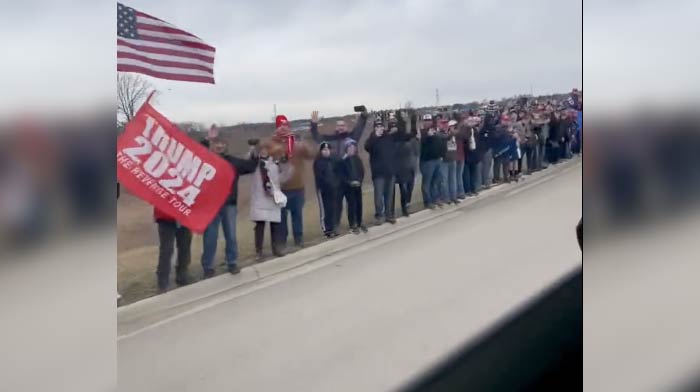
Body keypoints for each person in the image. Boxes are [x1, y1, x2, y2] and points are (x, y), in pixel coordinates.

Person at [200, 137, 258, 278]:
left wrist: (253, 152)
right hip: (212, 206)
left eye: (222, 143)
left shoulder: (234, 162)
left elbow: (250, 166)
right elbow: (197, 153)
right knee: (210, 237)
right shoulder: (206, 160)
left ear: (226, 145)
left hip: (229, 205)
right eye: (216, 143)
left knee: (231, 235)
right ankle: (208, 267)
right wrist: (206, 139)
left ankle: (232, 262)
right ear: (212, 145)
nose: (219, 146)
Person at [310, 108, 369, 227]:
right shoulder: (329, 139)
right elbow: (316, 137)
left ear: (346, 127)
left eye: (343, 125)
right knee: (336, 204)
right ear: (335, 128)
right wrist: (314, 124)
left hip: (349, 175)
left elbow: (359, 129)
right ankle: (335, 225)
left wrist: (363, 116)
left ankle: (354, 223)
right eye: (338, 125)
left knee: (352, 202)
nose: (340, 127)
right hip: (336, 176)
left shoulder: (351, 137)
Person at [271, 114, 315, 249]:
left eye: (285, 126)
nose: (283, 129)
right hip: (281, 189)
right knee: (281, 218)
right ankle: (282, 242)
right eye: (280, 126)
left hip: (297, 187)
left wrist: (304, 142)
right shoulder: (273, 145)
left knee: (297, 216)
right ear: (276, 129)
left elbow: (311, 155)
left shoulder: (297, 145)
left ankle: (299, 239)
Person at [250, 141, 287, 260]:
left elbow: (284, 175)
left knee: (275, 224)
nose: (264, 151)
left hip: (273, 197)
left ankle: (276, 248)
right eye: (262, 149)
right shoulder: (255, 163)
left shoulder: (275, 163)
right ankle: (259, 251)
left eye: (266, 149)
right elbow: (249, 157)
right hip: (260, 197)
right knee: (260, 225)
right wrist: (252, 148)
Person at [365, 117, 398, 225]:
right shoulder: (372, 139)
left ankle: (389, 215)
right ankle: (379, 215)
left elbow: (401, 136)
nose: (379, 128)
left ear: (384, 127)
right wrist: (375, 136)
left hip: (390, 171)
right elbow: (367, 147)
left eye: (381, 126)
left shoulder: (389, 137)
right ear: (374, 128)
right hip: (378, 173)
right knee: (378, 196)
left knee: (389, 195)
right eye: (377, 126)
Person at [153, 207, 192, 293]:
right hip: (166, 218)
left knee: (184, 247)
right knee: (166, 250)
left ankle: (182, 276)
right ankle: (162, 282)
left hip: (184, 216)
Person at [339, 140, 367, 234]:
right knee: (351, 205)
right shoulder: (343, 161)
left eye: (353, 148)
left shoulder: (357, 159)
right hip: (349, 187)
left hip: (358, 185)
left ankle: (359, 222)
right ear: (346, 149)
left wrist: (359, 181)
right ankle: (352, 224)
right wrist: (350, 182)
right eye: (350, 148)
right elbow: (342, 175)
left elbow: (361, 171)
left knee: (359, 204)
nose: (352, 149)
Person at [394, 110, 419, 217]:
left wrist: (413, 120)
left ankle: (407, 204)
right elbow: (402, 131)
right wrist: (402, 119)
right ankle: (404, 208)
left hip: (410, 166)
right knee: (403, 189)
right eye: (403, 115)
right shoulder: (397, 136)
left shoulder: (407, 138)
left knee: (410, 187)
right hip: (400, 167)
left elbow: (413, 133)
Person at [313, 142, 340, 238]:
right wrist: (327, 184)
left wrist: (336, 183)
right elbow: (319, 177)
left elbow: (337, 173)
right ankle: (326, 230)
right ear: (321, 151)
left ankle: (332, 227)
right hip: (323, 189)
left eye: (328, 149)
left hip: (333, 188)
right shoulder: (318, 162)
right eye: (324, 150)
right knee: (324, 210)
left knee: (332, 209)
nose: (326, 151)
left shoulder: (333, 160)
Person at [419, 114, 444, 209]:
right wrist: (427, 136)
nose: (427, 122)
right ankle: (427, 202)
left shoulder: (435, 131)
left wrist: (441, 155)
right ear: (423, 122)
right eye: (426, 120)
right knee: (427, 182)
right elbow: (421, 143)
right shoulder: (422, 132)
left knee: (436, 181)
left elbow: (440, 143)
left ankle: (436, 199)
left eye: (429, 120)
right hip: (427, 161)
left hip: (437, 159)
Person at [462, 113, 483, 196]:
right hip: (466, 154)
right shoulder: (464, 130)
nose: (470, 122)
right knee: (466, 174)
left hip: (474, 154)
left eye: (471, 121)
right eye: (469, 121)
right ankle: (468, 190)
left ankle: (473, 188)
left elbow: (478, 141)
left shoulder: (475, 130)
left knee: (474, 173)